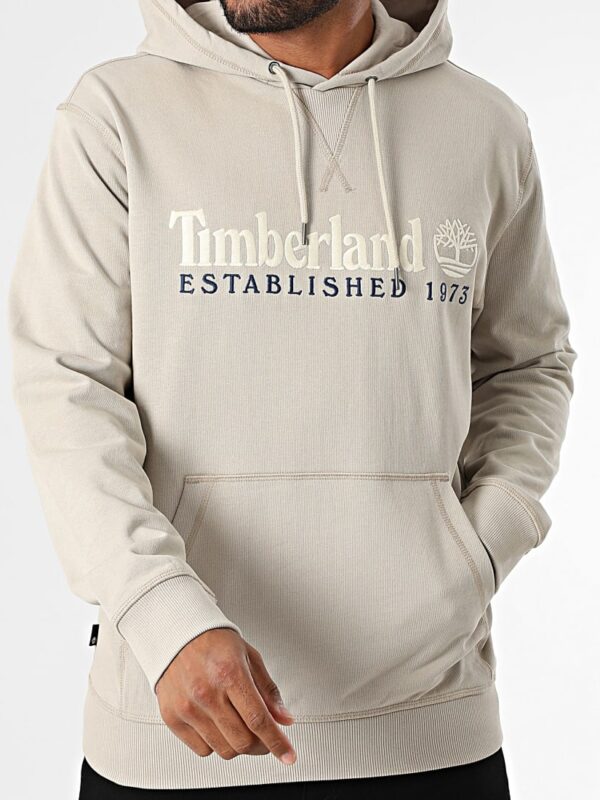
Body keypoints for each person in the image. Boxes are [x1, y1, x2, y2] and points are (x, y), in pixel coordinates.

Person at [7, 0, 577, 798]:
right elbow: (67, 383)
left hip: (429, 727)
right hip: (179, 729)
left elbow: (528, 363)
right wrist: (161, 613)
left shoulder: (485, 128)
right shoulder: (117, 113)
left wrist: (484, 542)